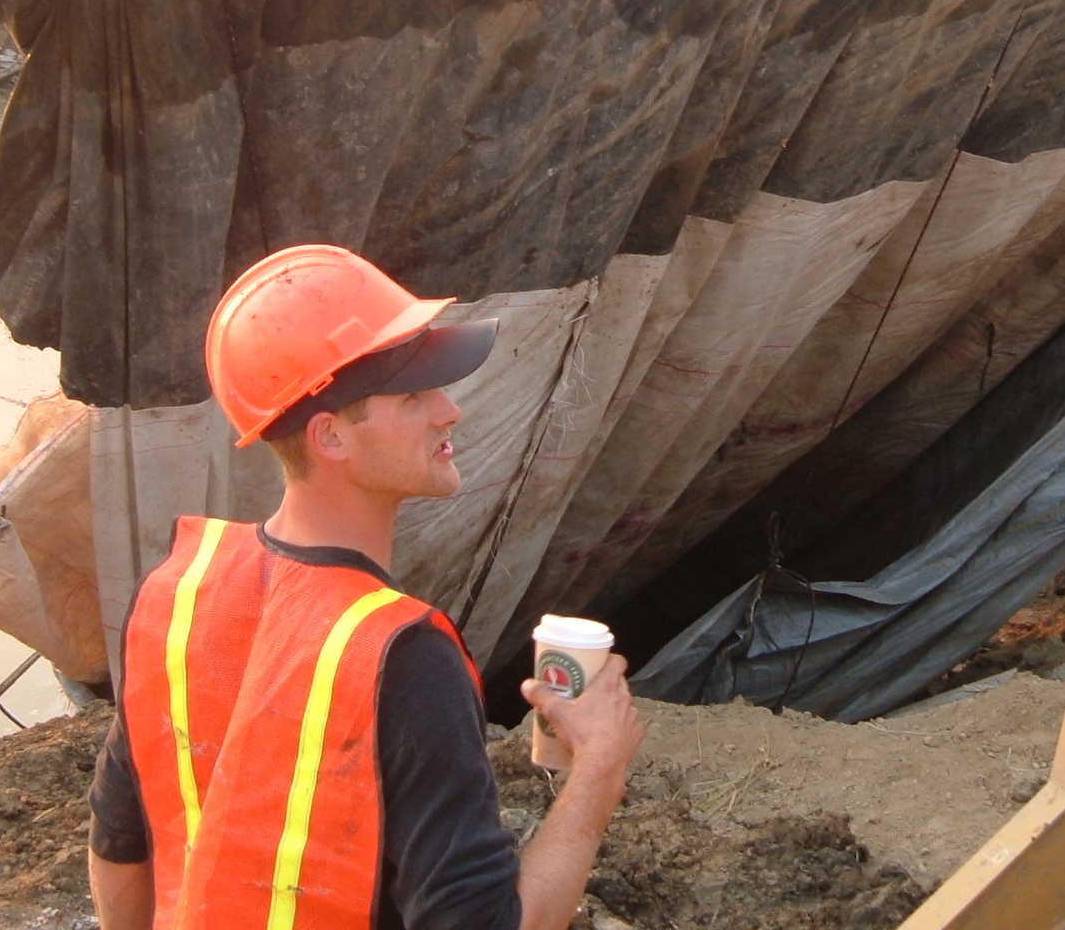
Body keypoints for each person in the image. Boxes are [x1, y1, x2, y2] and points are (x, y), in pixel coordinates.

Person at [86, 244, 646, 930]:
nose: (450, 412)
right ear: (331, 438)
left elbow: (119, 846)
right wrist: (598, 774)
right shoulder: (403, 657)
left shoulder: (178, 590)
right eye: (413, 396)